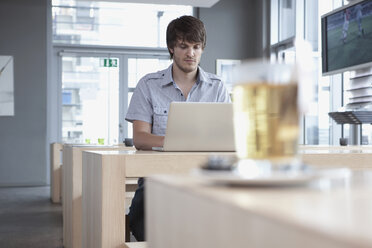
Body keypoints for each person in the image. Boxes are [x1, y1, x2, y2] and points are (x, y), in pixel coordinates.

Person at [125, 15, 230, 241]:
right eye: (183, 46)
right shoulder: (148, 85)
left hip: (203, 178)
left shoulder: (218, 87)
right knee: (141, 222)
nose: (190, 53)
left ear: (202, 49)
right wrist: (177, 141)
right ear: (172, 48)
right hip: (158, 178)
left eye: (196, 47)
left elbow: (225, 138)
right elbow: (140, 139)